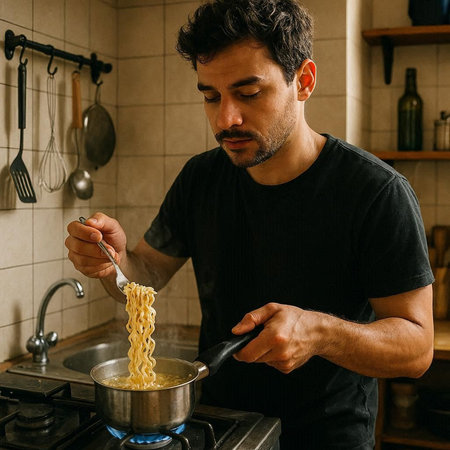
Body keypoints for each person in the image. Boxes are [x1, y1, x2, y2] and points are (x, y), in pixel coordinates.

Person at [65, 1, 434, 448]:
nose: (225, 119)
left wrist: (320, 333)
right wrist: (115, 261)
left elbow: (417, 348)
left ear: (304, 81)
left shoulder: (376, 192)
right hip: (219, 429)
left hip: (325, 438)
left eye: (249, 92)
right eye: (210, 95)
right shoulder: (201, 179)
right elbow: (147, 274)